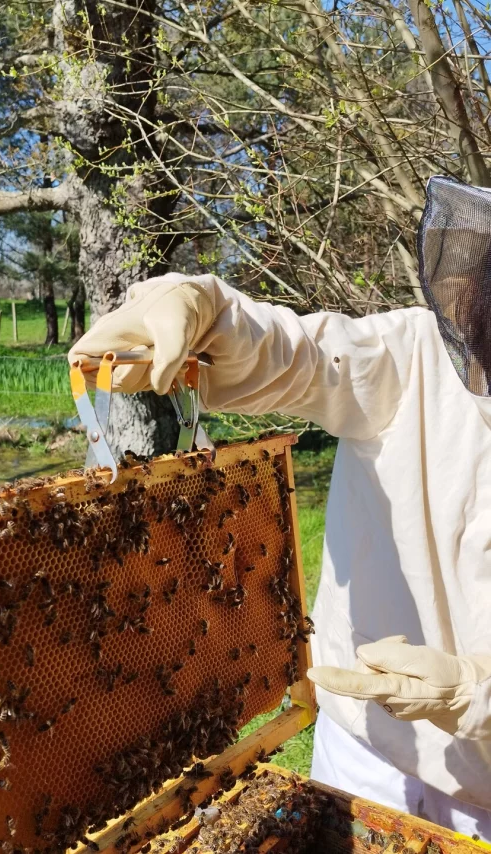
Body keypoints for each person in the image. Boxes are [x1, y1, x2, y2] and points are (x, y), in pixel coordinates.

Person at [69, 175, 491, 840]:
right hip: (366, 757)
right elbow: (298, 356)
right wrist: (201, 311)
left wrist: (478, 693)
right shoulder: (413, 359)